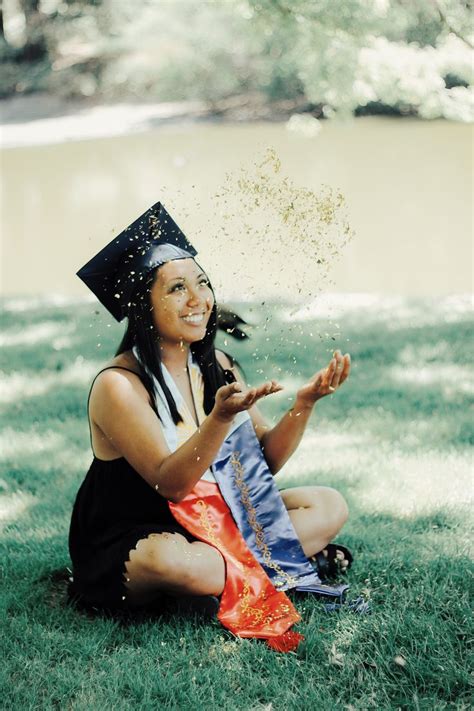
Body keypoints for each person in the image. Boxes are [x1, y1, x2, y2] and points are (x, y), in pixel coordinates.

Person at [69, 202, 352, 652]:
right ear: (143, 304)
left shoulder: (218, 365)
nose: (198, 300)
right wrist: (219, 419)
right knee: (178, 564)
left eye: (202, 283)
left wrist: (304, 405)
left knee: (329, 504)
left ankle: (237, 571)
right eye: (177, 289)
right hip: (140, 530)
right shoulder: (119, 386)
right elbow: (171, 485)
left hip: (219, 518)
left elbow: (263, 465)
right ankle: (273, 564)